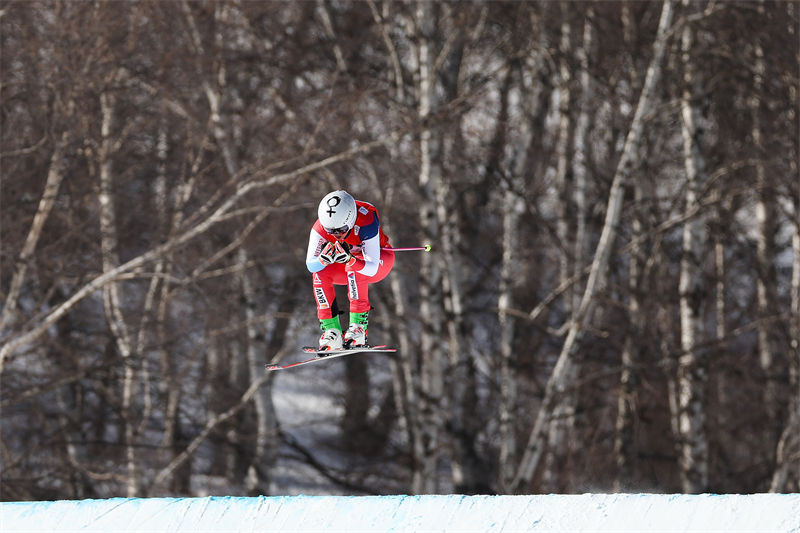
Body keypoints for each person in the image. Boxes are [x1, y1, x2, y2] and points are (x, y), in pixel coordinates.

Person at [305, 190, 394, 351]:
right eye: (331, 231)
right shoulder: (320, 227)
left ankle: (358, 329)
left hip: (380, 261)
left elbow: (372, 267)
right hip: (350, 265)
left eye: (341, 230)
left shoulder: (366, 219)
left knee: (353, 267)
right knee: (320, 272)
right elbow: (310, 265)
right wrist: (322, 260)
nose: (337, 235)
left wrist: (351, 259)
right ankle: (332, 331)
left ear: (351, 219)